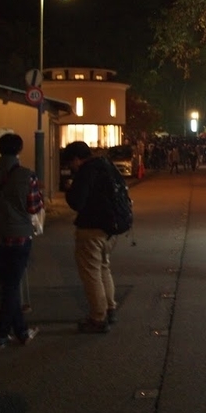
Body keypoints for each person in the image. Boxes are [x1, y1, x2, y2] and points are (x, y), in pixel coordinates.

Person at [0, 133, 42, 348]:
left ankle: (21, 332)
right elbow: (34, 207)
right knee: (11, 286)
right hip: (19, 236)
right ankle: (1, 334)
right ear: (19, 149)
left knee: (8, 285)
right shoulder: (27, 175)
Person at [62, 141, 120, 333]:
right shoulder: (107, 167)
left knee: (91, 274)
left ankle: (98, 317)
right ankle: (110, 308)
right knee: (103, 268)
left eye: (70, 162)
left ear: (77, 159)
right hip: (111, 229)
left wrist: (69, 189)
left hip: (91, 228)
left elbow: (77, 202)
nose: (71, 166)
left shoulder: (86, 172)